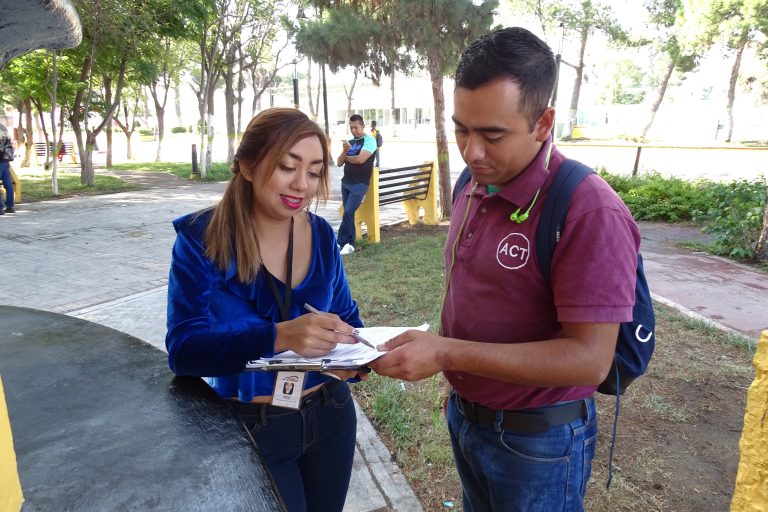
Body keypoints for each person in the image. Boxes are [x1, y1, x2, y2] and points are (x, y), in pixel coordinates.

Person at [370, 27, 640, 511]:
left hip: (539, 442)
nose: (471, 152)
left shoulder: (587, 210)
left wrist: (448, 353)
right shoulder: (472, 186)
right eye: (461, 129)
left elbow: (589, 359)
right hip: (468, 418)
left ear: (543, 122)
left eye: (492, 134)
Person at [166, 108, 365, 512]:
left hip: (330, 413)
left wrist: (358, 356)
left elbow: (347, 318)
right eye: (287, 167)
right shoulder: (203, 240)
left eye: (313, 171)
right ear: (248, 166)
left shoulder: (322, 235)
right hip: (252, 427)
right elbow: (183, 351)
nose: (302, 185)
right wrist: (278, 336)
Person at [336, 114, 376, 256]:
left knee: (348, 211)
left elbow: (360, 160)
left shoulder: (370, 141)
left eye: (356, 127)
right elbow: (339, 162)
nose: (354, 130)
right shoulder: (350, 142)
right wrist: (345, 150)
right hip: (346, 183)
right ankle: (350, 244)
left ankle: (339, 242)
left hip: (360, 184)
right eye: (351, 127)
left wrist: (347, 157)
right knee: (349, 214)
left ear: (362, 126)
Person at [0, 125, 16, 215]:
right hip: (6, 160)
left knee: (8, 184)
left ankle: (0, 208)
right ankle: (10, 206)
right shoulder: (4, 131)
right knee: (8, 184)